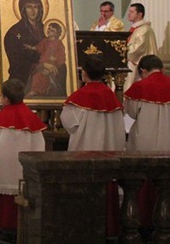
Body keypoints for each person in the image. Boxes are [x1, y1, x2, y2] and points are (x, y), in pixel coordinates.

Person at [60, 55, 125, 237]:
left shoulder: (78, 98)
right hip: (108, 153)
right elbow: (120, 129)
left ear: (84, 74)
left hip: (83, 152)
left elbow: (69, 124)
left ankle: (82, 230)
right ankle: (109, 228)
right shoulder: (112, 97)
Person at [123, 54, 170, 230]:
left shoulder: (139, 87)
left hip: (145, 142)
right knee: (167, 183)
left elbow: (132, 113)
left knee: (143, 183)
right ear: (162, 68)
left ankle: (143, 220)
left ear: (143, 71)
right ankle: (169, 220)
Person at [0, 79, 46, 237]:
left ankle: (5, 229)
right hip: (26, 167)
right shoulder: (31, 118)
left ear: (6, 99)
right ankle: (21, 228)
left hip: (2, 165)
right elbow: (40, 146)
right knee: (22, 194)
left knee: (4, 199)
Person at [3, 0, 45, 86]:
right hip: (24, 77)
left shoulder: (47, 29)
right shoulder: (14, 32)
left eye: (36, 7)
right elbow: (16, 62)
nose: (33, 11)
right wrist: (38, 67)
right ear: (23, 10)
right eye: (29, 7)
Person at [25, 21, 67, 98]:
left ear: (56, 34)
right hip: (43, 63)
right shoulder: (45, 41)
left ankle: (35, 91)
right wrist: (30, 47)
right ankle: (34, 91)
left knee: (43, 76)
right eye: (49, 29)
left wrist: (55, 58)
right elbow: (38, 47)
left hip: (53, 65)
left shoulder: (59, 43)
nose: (49, 31)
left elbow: (62, 56)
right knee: (37, 75)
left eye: (52, 31)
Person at [126, 3, 158, 91]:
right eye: (129, 11)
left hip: (137, 63)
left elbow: (138, 49)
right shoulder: (136, 28)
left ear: (139, 14)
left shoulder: (144, 29)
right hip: (132, 61)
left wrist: (122, 51)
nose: (129, 14)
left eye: (132, 12)